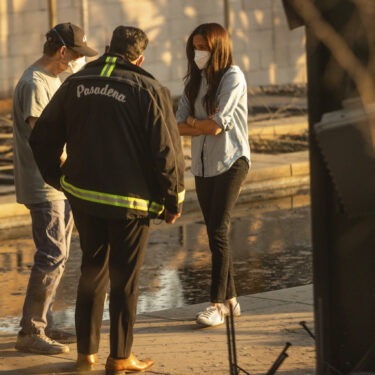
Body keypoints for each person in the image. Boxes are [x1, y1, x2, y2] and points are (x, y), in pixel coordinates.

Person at [29, 26, 185, 373]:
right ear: (140, 58)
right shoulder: (150, 88)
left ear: (105, 48)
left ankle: (86, 354)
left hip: (84, 198)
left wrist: (60, 178)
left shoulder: (74, 83)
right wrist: (172, 200)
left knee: (92, 272)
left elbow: (41, 138)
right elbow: (166, 153)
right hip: (131, 204)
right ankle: (120, 357)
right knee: (124, 279)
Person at [12, 22, 97, 355]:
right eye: (75, 55)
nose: (77, 61)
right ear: (62, 51)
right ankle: (30, 331)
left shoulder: (53, 80)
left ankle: (43, 322)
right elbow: (44, 140)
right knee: (52, 254)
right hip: (45, 183)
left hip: (60, 183)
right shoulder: (34, 84)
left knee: (58, 256)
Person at [176, 23, 250, 327]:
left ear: (217, 46)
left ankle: (217, 305)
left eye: (203, 46)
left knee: (219, 229)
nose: (198, 53)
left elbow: (218, 126)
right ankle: (232, 300)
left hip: (232, 160)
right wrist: (200, 122)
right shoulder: (194, 83)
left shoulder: (232, 77)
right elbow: (177, 124)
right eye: (194, 46)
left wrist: (199, 122)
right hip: (204, 165)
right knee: (213, 232)